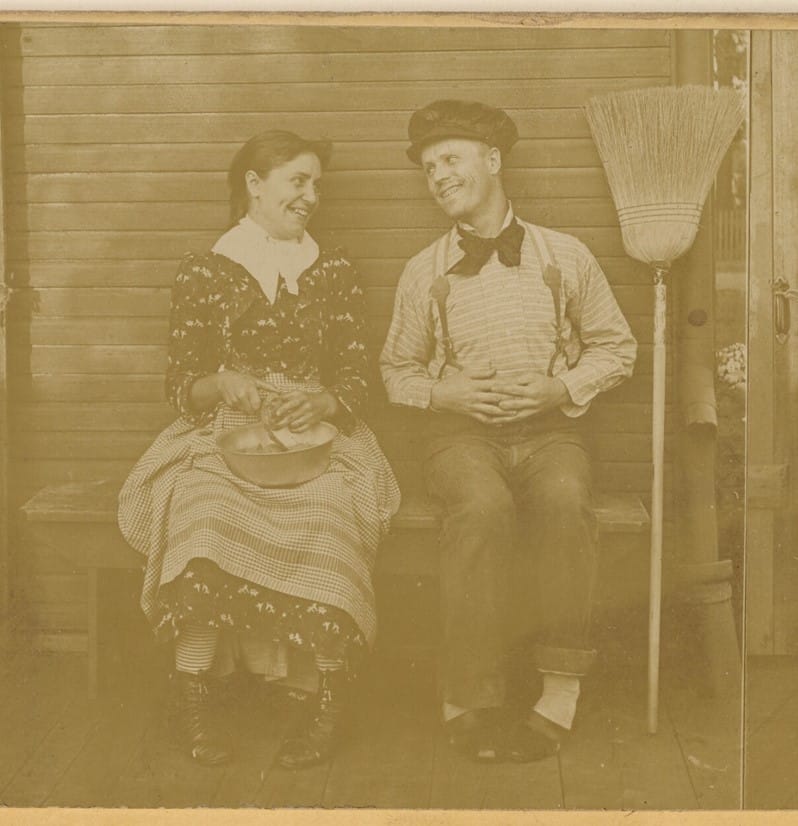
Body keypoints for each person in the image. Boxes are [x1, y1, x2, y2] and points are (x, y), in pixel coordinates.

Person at [118, 130, 400, 770]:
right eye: (298, 181)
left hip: (316, 436)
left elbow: (358, 375)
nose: (311, 196)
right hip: (225, 432)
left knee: (333, 510)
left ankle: (325, 697)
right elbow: (179, 383)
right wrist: (219, 383)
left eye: (317, 184)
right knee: (199, 507)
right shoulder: (206, 269)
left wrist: (327, 403)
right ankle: (193, 695)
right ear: (254, 182)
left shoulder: (333, 270)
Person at [379, 99, 637, 763]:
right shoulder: (423, 271)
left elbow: (618, 348)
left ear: (493, 162)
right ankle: (469, 694)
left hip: (552, 432)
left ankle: (559, 689)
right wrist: (447, 392)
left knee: (561, 500)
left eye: (451, 158)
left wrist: (561, 386)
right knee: (482, 508)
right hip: (460, 439)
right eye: (429, 166)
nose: (437, 175)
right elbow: (396, 371)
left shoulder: (564, 256)